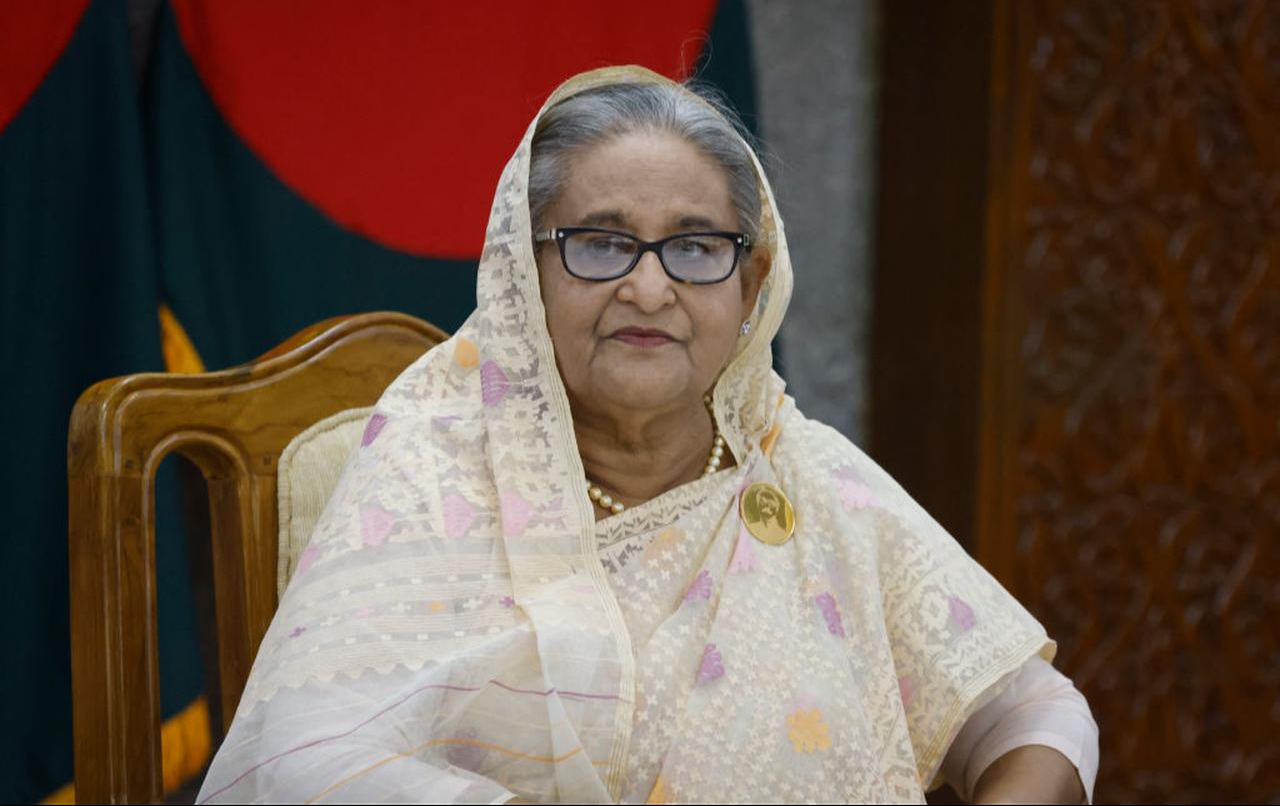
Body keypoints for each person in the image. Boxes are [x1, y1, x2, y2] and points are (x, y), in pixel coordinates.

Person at [197, 66, 1098, 804]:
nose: (649, 288)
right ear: (525, 269)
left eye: (696, 247)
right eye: (601, 242)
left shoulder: (804, 475)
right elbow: (298, 760)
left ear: (751, 284)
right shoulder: (434, 468)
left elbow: (1036, 715)